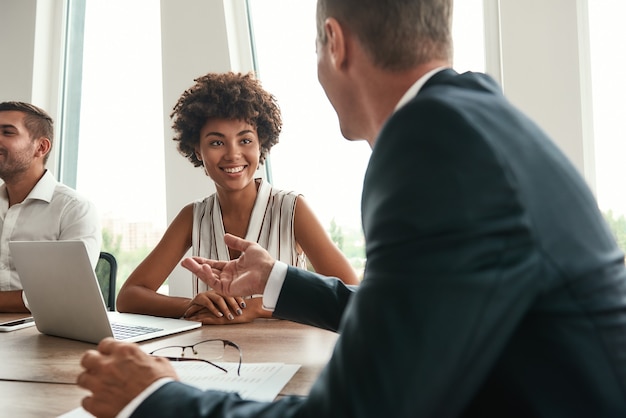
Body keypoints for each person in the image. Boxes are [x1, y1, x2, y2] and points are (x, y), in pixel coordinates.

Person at [77, 0, 626, 416]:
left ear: (334, 43)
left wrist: (153, 397)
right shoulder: (470, 117)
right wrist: (278, 281)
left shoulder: (429, 146)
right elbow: (413, 313)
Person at [116, 72, 358, 324]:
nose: (233, 154)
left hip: (286, 354)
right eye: (217, 143)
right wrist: (190, 305)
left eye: (245, 140)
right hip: (214, 356)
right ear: (197, 150)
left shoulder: (292, 208)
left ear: (260, 143)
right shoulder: (193, 217)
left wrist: (260, 307)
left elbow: (354, 296)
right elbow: (129, 297)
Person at [0, 101, 101, 313]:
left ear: (41, 147)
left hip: (41, 332)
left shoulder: (74, 209)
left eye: (7, 132)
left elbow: (66, 292)